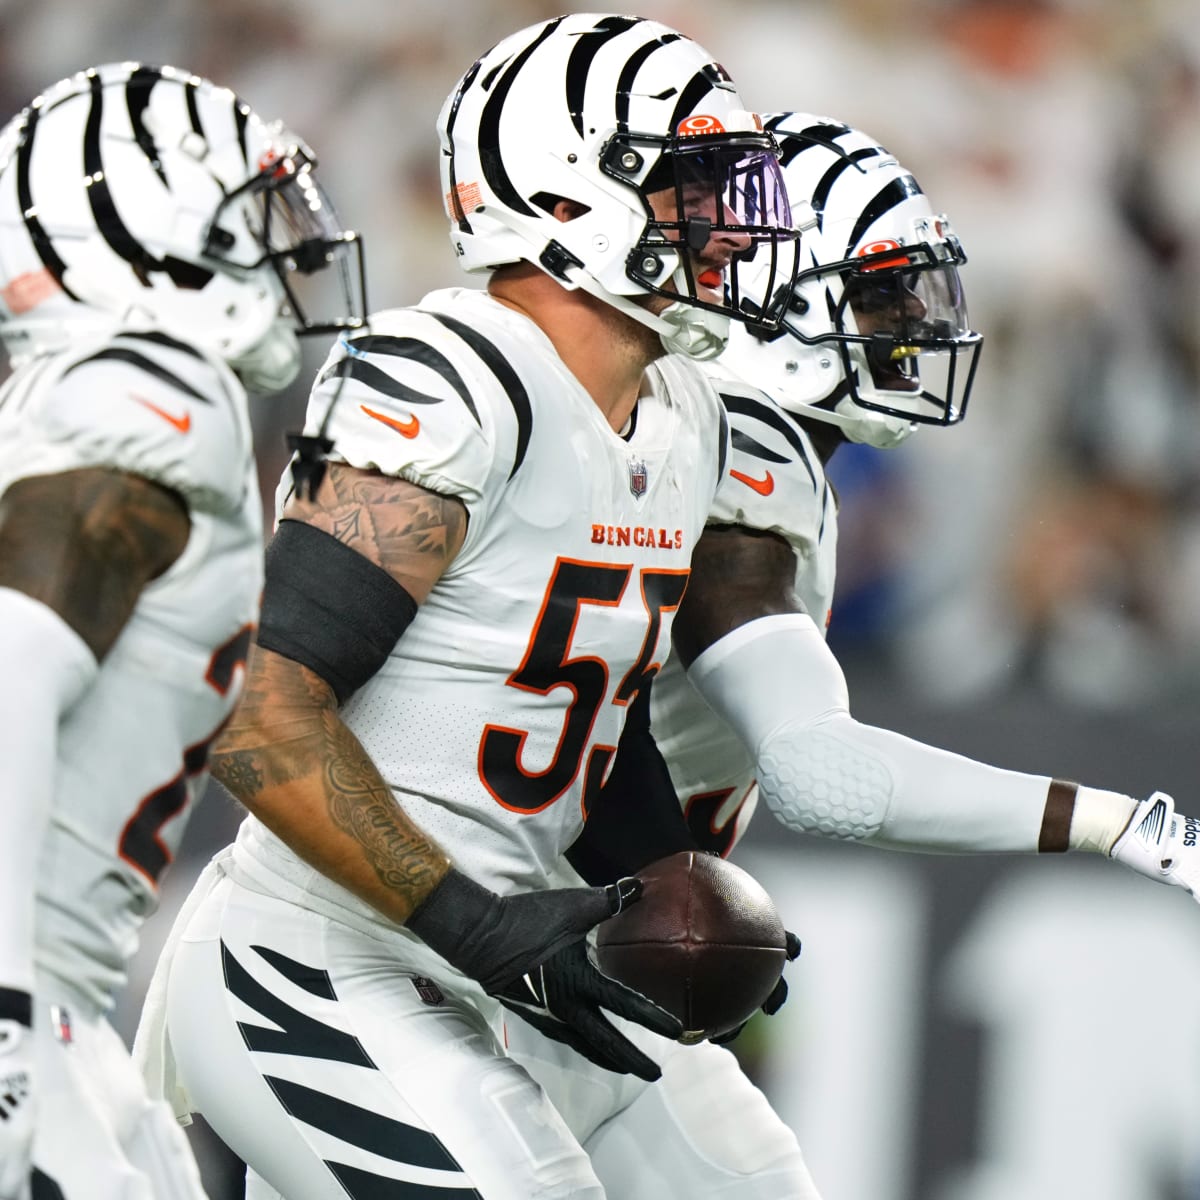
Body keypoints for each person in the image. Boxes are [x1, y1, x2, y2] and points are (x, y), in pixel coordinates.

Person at [134, 13, 818, 1200]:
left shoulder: (686, 411)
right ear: (566, 198)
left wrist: (673, 892)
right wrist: (481, 928)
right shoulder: (460, 375)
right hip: (324, 949)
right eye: (689, 183)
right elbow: (260, 710)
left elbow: (591, 720)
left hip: (517, 950)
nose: (726, 219)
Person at [0, 62, 366, 1200]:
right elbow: (8, 670)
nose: (285, 246)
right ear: (142, 233)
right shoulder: (146, 387)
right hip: (36, 1007)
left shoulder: (70, 396)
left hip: (71, 1015)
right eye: (243, 215)